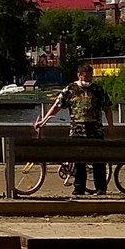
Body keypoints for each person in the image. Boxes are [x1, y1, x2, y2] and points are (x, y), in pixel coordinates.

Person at [33, 64, 112, 195]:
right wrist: (44, 119)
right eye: (86, 77)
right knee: (78, 162)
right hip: (77, 130)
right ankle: (79, 188)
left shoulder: (98, 89)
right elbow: (57, 106)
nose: (88, 80)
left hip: (95, 130)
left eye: (90, 77)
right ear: (79, 75)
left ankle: (101, 188)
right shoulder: (70, 89)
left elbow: (107, 108)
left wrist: (111, 126)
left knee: (98, 160)